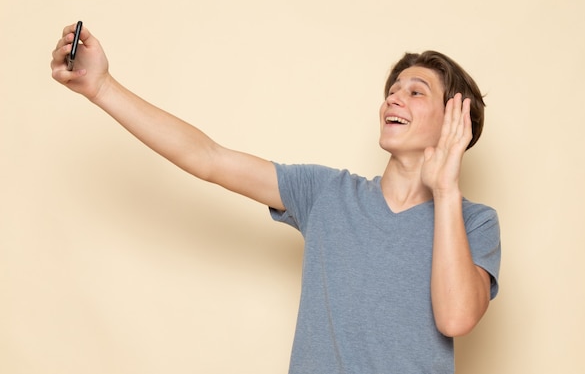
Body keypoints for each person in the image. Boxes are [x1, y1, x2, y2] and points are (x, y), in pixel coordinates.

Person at [51, 22, 501, 374]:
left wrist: (445, 190)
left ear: (454, 121)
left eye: (415, 91)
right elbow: (209, 158)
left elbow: (456, 319)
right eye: (392, 91)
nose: (393, 99)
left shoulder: (474, 222)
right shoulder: (326, 193)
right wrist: (103, 87)